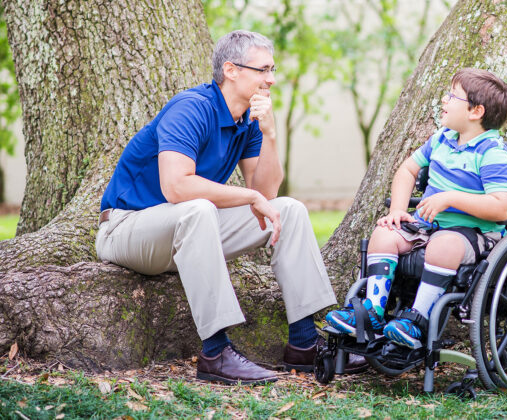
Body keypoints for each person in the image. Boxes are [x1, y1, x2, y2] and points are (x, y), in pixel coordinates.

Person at [95, 30, 366, 385]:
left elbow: (265, 193)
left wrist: (269, 134)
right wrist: (250, 197)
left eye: (273, 69)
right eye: (262, 69)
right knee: (199, 209)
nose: (271, 79)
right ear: (231, 69)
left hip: (185, 233)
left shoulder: (248, 120)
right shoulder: (192, 108)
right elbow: (176, 186)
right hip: (127, 229)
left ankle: (302, 343)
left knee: (290, 210)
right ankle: (215, 353)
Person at [326, 68, 507, 349]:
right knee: (384, 232)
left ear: (476, 111)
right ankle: (373, 310)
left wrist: (451, 198)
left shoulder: (492, 154)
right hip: (428, 226)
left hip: (472, 234)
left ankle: (418, 319)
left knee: (444, 246)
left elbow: (502, 208)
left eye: (452, 96)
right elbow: (407, 169)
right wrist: (398, 210)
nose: (444, 100)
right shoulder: (441, 139)